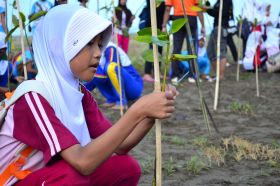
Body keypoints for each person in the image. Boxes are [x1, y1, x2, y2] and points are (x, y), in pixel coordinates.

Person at [0, 5, 178, 185]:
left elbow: (121, 145)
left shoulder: (79, 94)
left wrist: (149, 113)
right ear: (59, 47)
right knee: (72, 175)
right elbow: (82, 162)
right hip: (14, 180)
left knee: (125, 168)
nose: (98, 54)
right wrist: (137, 111)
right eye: (89, 44)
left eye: (100, 45)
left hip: (46, 176)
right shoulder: (33, 98)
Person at [84, 41, 143, 109]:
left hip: (134, 87)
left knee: (111, 67)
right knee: (93, 71)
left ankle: (121, 102)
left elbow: (112, 68)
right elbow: (96, 77)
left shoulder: (110, 47)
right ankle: (112, 100)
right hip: (116, 89)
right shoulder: (92, 50)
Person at [162, 0, 205, 85]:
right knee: (192, 48)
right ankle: (192, 76)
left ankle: (175, 76)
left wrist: (164, 25)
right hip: (191, 18)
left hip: (178, 18)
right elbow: (198, 8)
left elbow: (167, 8)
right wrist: (203, 25)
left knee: (176, 48)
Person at [205, 0, 233, 80]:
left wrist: (207, 9)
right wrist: (207, 7)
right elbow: (215, 12)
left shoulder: (226, 1)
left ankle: (220, 75)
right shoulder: (219, 1)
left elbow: (222, 13)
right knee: (210, 51)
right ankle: (218, 74)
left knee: (221, 52)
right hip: (215, 28)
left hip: (221, 27)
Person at [142, 1, 165, 83]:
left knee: (159, 50)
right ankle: (147, 73)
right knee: (152, 49)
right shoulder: (151, 1)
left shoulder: (162, 3)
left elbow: (163, 14)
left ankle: (157, 73)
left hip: (160, 29)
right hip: (151, 28)